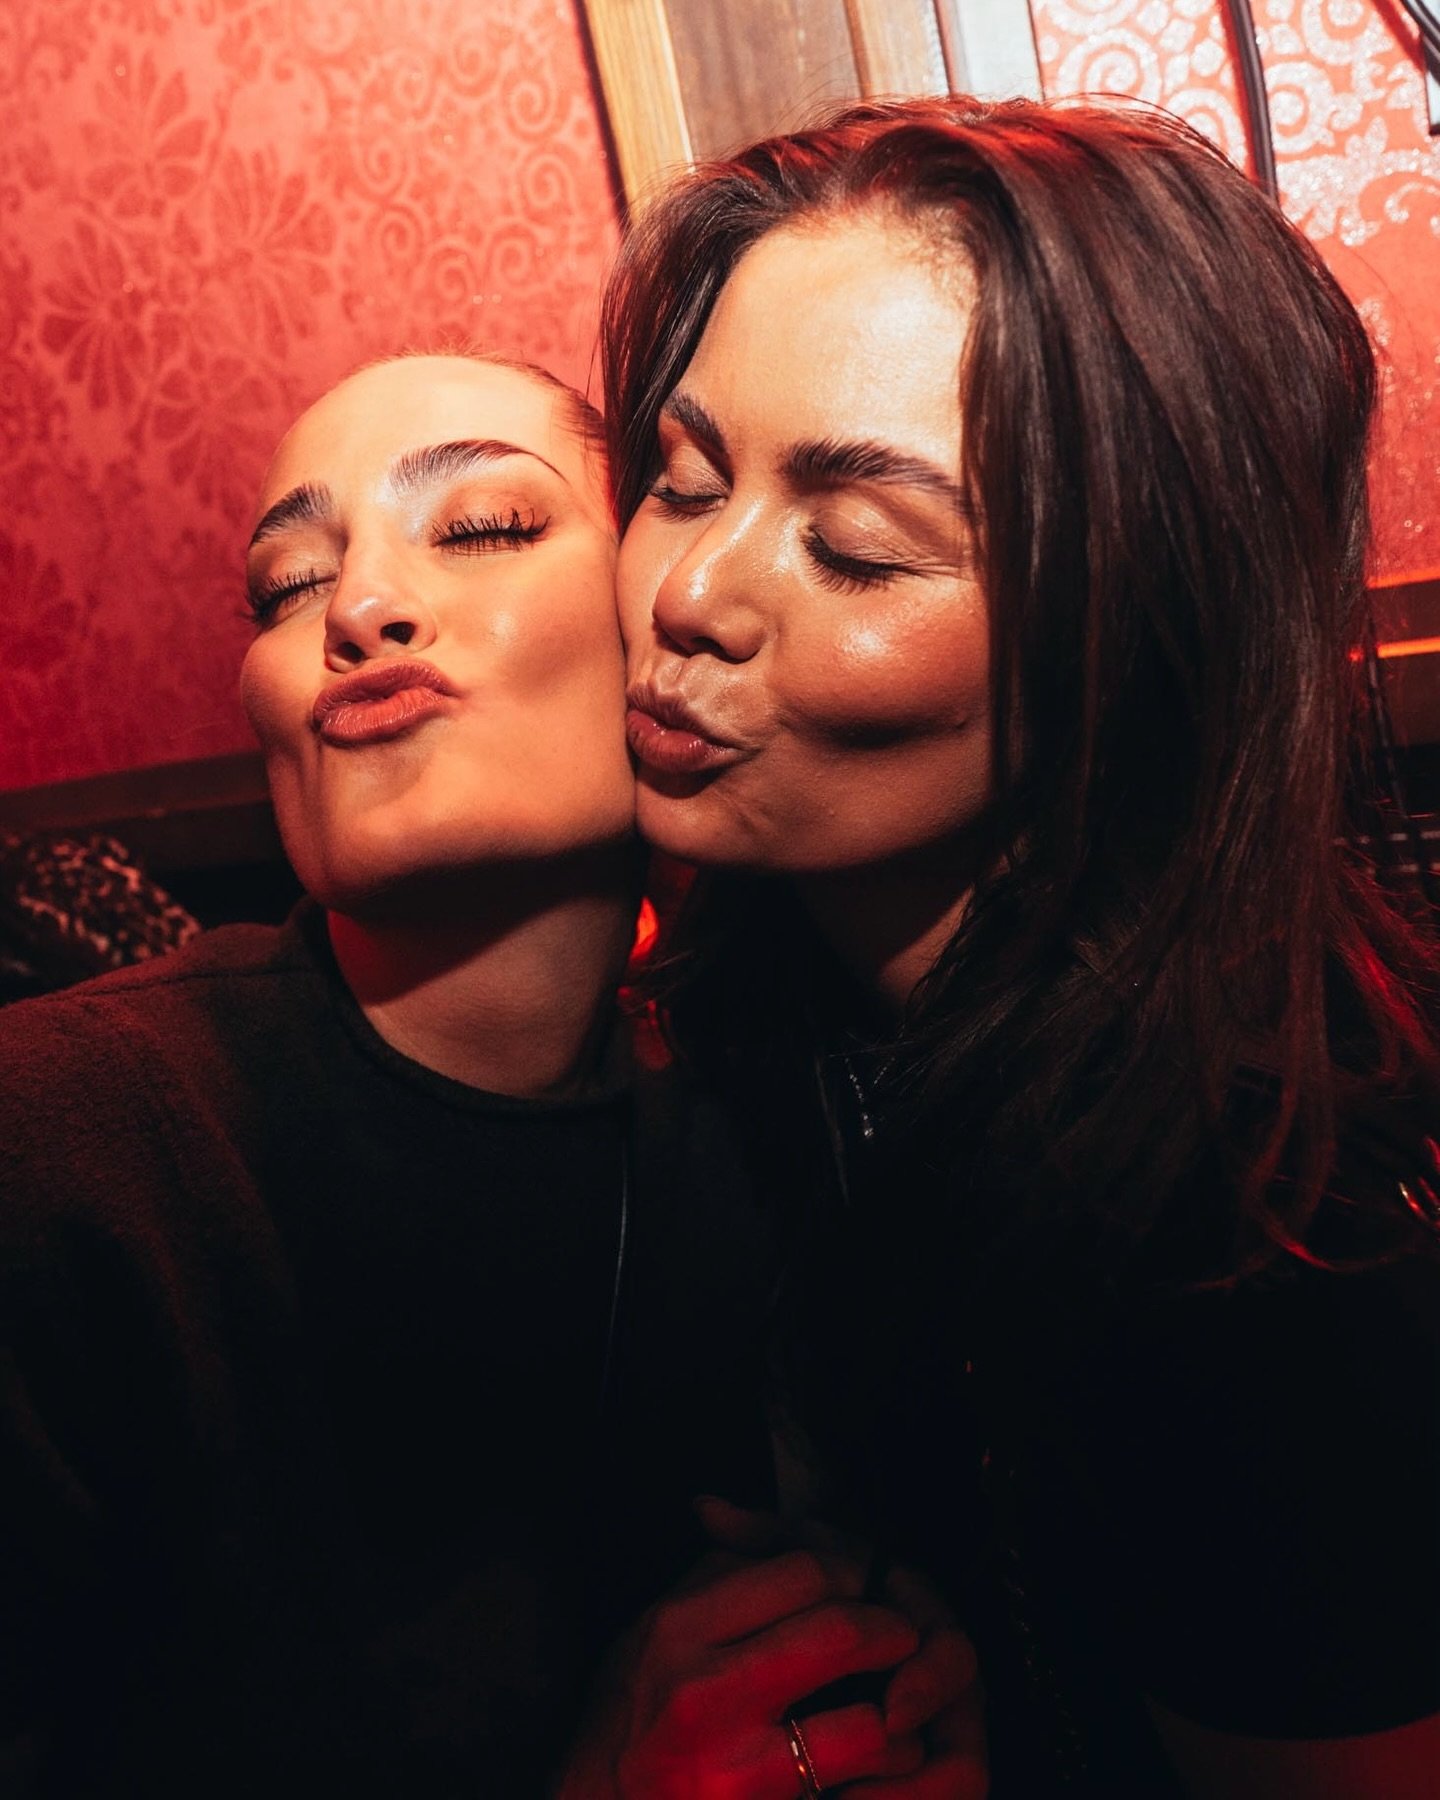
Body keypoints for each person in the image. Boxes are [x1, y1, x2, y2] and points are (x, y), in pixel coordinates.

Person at [603, 97, 1440, 1797]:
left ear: (1127, 640)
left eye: (854, 547)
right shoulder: (761, 1053)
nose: (692, 589)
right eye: (684, 481)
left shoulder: (1263, 1251)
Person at [0, 352, 969, 1796]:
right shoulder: (58, 1156)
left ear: (667, 616)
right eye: (287, 585)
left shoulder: (773, 1134)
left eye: (485, 527)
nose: (357, 606)